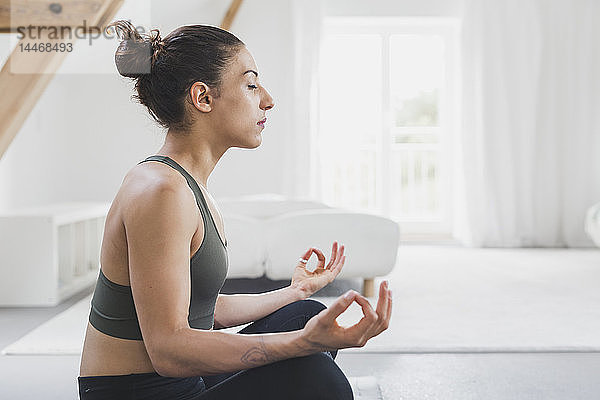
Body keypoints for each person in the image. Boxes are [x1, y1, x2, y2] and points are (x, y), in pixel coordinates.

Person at [78, 20, 392, 400]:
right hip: (142, 393)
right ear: (204, 98)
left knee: (304, 312)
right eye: (250, 84)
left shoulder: (187, 184)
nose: (268, 100)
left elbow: (204, 310)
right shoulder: (160, 191)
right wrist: (301, 344)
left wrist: (294, 292)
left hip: (179, 382)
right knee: (316, 378)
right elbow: (169, 351)